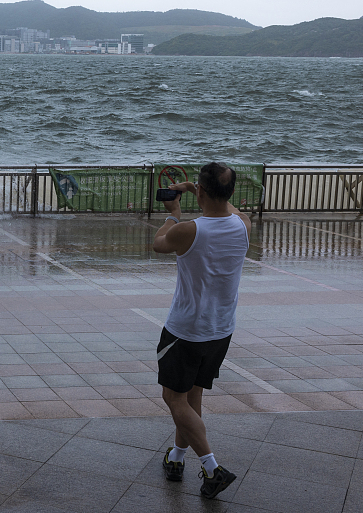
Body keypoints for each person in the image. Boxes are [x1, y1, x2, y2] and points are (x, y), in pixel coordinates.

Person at [151, 162, 251, 500]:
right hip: (221, 330)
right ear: (231, 192)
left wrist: (173, 212)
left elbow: (159, 243)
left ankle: (212, 468)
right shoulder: (244, 225)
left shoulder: (189, 230)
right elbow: (231, 212)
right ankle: (177, 458)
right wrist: (198, 190)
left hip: (185, 331)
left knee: (173, 398)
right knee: (192, 396)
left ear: (203, 192)